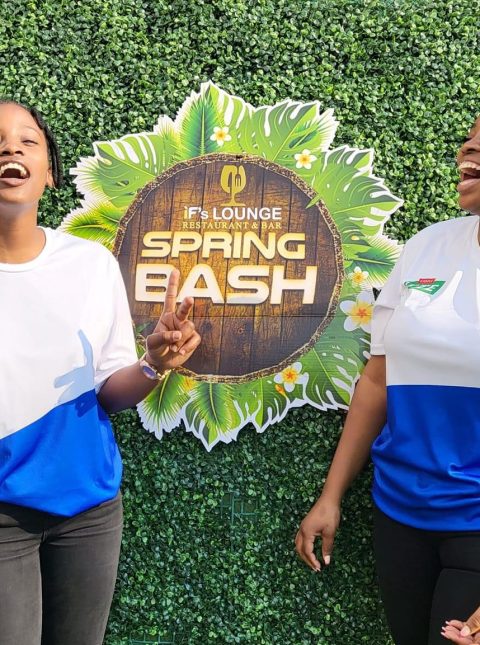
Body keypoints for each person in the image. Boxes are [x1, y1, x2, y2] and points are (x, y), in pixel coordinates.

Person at [0, 100, 201, 645]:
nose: (10, 148)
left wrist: (154, 364)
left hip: (88, 511)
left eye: (27, 141)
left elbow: (110, 392)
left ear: (49, 173)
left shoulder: (89, 266)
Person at [296, 114, 480, 645]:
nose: (467, 148)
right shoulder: (427, 246)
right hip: (401, 514)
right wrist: (332, 495)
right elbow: (378, 380)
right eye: (469, 136)